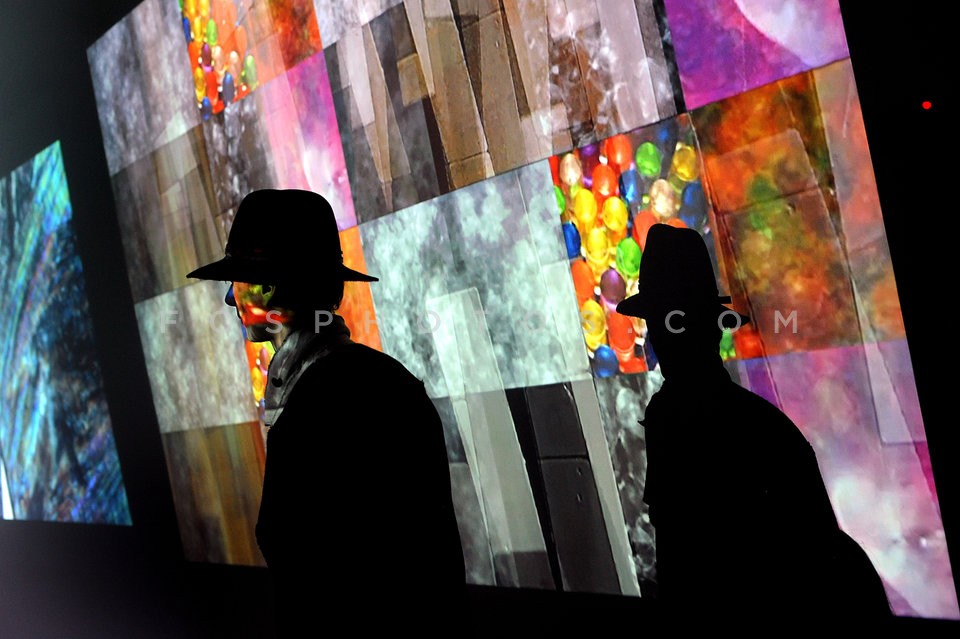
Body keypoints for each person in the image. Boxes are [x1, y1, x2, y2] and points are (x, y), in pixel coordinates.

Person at [187, 189, 465, 635]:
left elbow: (315, 581)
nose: (229, 299)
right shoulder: (389, 381)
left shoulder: (314, 407)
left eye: (237, 280)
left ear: (267, 288)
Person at [615, 224, 890, 628]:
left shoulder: (702, 428)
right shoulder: (698, 422)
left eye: (663, 323)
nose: (657, 341)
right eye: (656, 325)